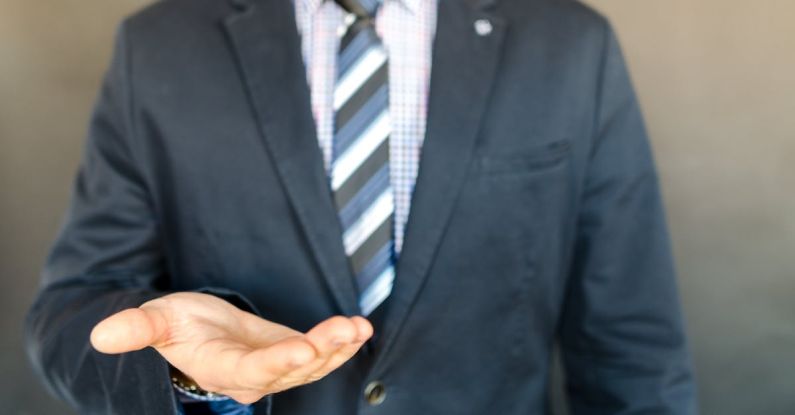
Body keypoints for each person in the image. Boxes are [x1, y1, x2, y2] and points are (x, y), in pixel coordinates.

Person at [25, 0, 698, 413]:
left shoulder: (572, 44)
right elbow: (68, 314)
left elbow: (631, 342)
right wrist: (176, 369)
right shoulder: (158, 44)